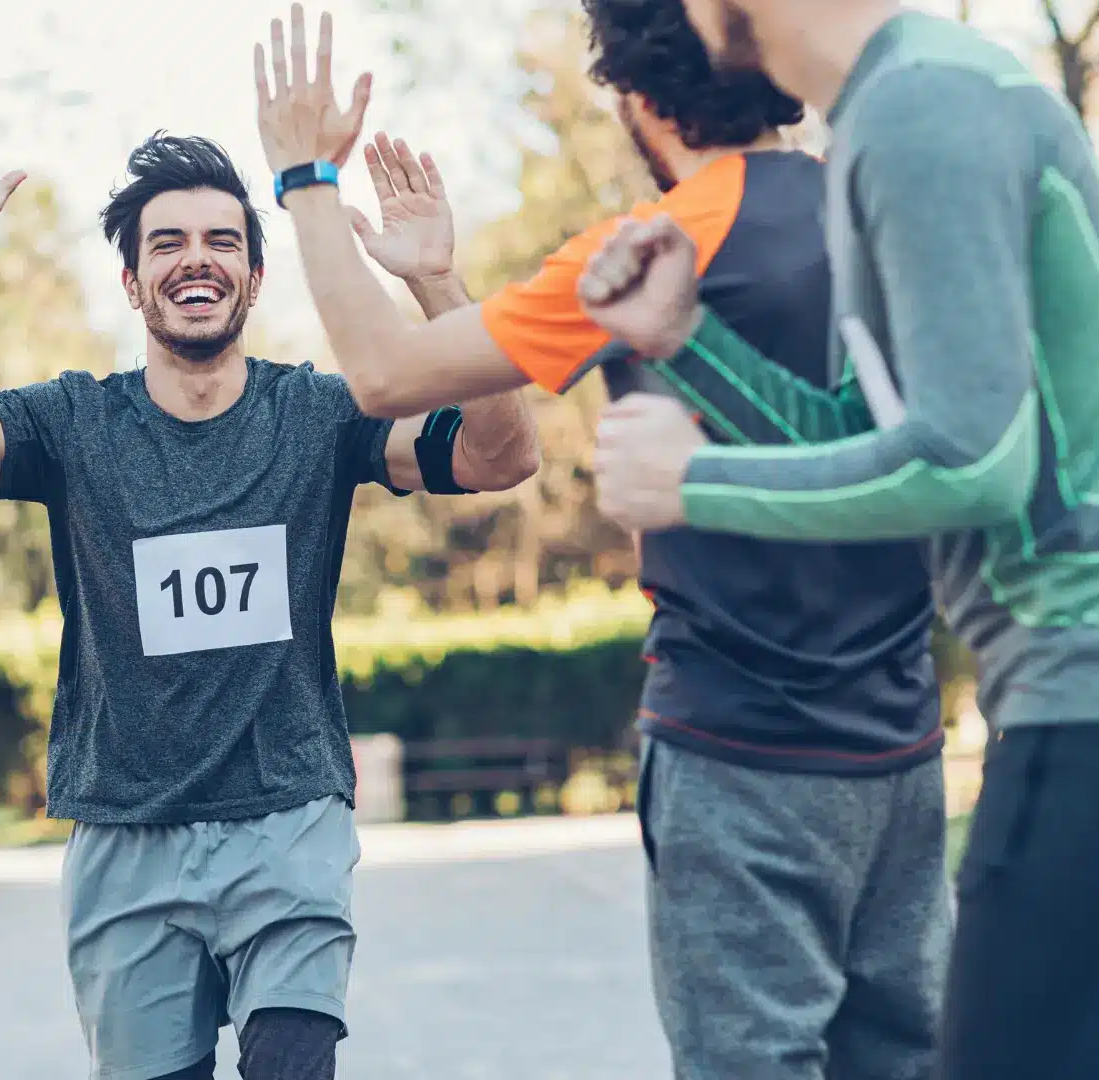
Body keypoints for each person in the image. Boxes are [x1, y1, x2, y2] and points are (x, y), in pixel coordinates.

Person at [255, 6, 947, 1073]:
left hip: (743, 756)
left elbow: (385, 376)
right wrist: (438, 275)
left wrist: (306, 179)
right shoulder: (884, 205)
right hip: (905, 750)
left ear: (638, 97)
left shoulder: (647, 252)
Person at [0, 88, 538, 1079]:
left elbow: (502, 453)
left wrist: (439, 284)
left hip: (288, 818)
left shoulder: (319, 415)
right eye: (166, 244)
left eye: (219, 240)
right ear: (132, 284)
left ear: (254, 272)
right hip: (127, 837)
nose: (195, 258)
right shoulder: (71, 427)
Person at [571, 3, 1099, 1078]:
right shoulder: (900, 104)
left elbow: (972, 465)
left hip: (1097, 703)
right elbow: (892, 441)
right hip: (1074, 702)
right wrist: (686, 343)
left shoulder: (922, 107)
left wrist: (695, 481)